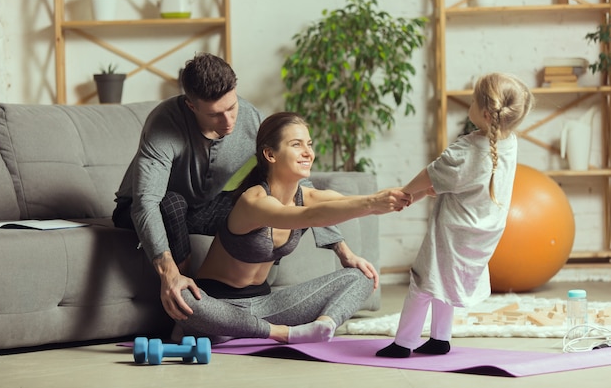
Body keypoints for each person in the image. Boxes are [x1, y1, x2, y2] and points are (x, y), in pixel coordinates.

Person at [112, 52, 355, 321]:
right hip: (140, 207)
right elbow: (146, 202)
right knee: (172, 204)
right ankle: (185, 300)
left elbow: (300, 187)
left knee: (254, 200)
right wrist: (168, 273)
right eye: (215, 115)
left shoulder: (250, 117)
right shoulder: (164, 122)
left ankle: (248, 294)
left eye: (231, 107)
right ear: (192, 106)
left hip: (200, 207)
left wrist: (342, 250)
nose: (228, 122)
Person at [175, 112, 409, 344]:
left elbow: (357, 201)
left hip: (265, 305)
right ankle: (281, 334)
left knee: (363, 276)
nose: (308, 152)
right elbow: (308, 216)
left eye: (309, 144)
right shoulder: (253, 200)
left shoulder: (307, 195)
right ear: (270, 154)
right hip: (218, 306)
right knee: (185, 299)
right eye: (296, 145)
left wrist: (416, 191)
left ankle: (322, 326)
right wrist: (372, 203)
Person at [376, 72, 534, 358]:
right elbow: (460, 182)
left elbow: (432, 174)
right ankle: (440, 339)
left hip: (452, 231)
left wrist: (407, 192)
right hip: (483, 230)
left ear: (485, 113)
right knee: (443, 279)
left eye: (472, 100)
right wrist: (422, 193)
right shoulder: (509, 143)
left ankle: (403, 344)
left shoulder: (467, 149)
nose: (468, 104)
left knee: (423, 281)